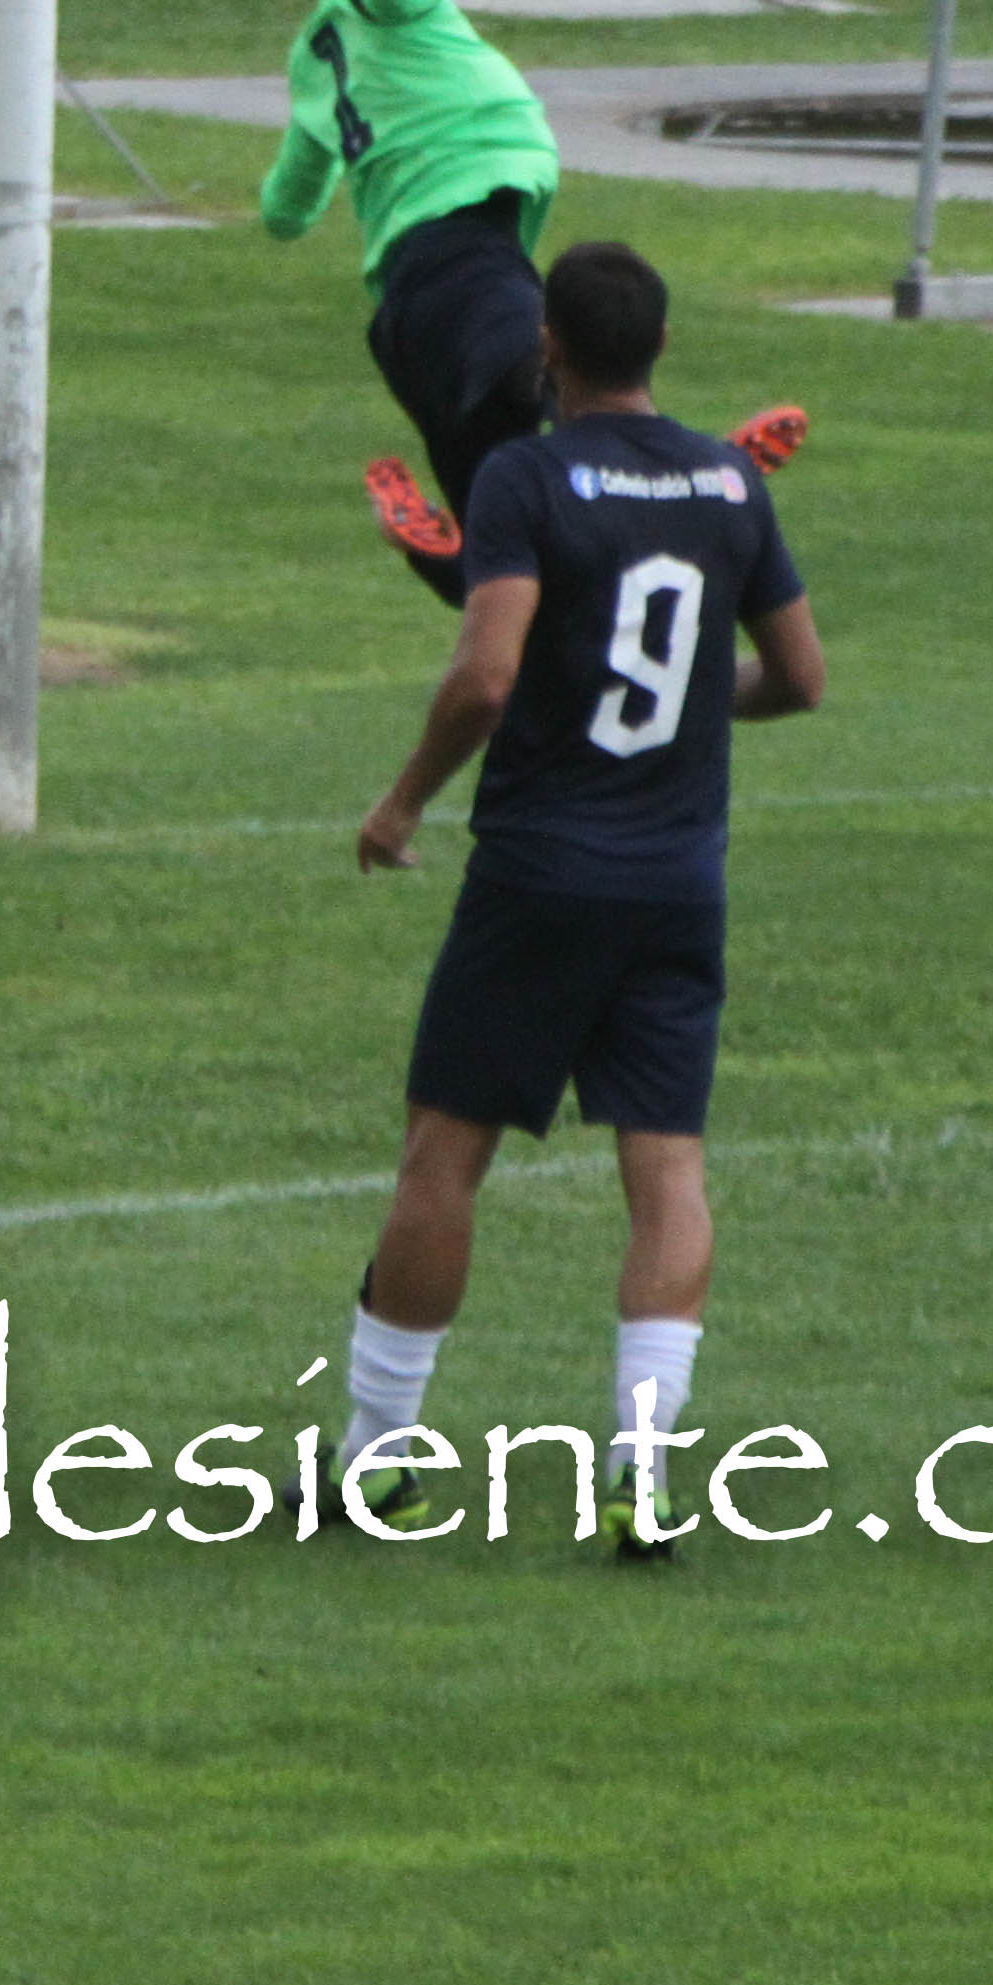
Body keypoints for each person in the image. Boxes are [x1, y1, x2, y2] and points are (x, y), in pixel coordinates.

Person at [331, 240, 824, 1555]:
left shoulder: (525, 475)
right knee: (666, 1170)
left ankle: (376, 1459)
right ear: (661, 347)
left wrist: (402, 803)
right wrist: (690, 708)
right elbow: (801, 678)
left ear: (547, 347)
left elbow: (487, 675)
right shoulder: (730, 480)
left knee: (446, 1158)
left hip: (541, 874)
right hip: (678, 882)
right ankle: (643, 1472)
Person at [257, 0, 801, 596]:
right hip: (471, 241)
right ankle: (702, 475)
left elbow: (285, 212)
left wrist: (302, 180)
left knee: (499, 530)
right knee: (550, 368)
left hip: (401, 315)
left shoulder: (311, 64)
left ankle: (441, 555)